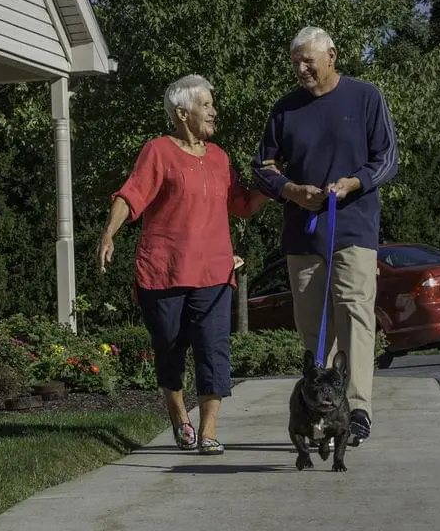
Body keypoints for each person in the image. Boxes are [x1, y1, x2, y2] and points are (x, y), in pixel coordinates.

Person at [98, 74, 268, 455]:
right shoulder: (158, 151)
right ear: (181, 112)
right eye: (205, 104)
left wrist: (274, 187)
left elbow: (241, 204)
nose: (213, 110)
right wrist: (109, 233)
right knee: (169, 346)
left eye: (211, 104)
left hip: (213, 272)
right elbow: (131, 195)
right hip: (165, 271)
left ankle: (209, 430)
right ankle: (178, 416)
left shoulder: (220, 158)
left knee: (214, 349)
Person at [251, 26, 398, 446]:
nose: (300, 68)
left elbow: (387, 159)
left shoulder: (366, 97)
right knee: (313, 325)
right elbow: (261, 167)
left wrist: (354, 183)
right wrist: (293, 191)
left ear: (332, 55)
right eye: (295, 62)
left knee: (355, 312)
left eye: (308, 60)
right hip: (304, 233)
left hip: (353, 226)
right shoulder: (285, 109)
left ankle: (357, 409)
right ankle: (320, 407)